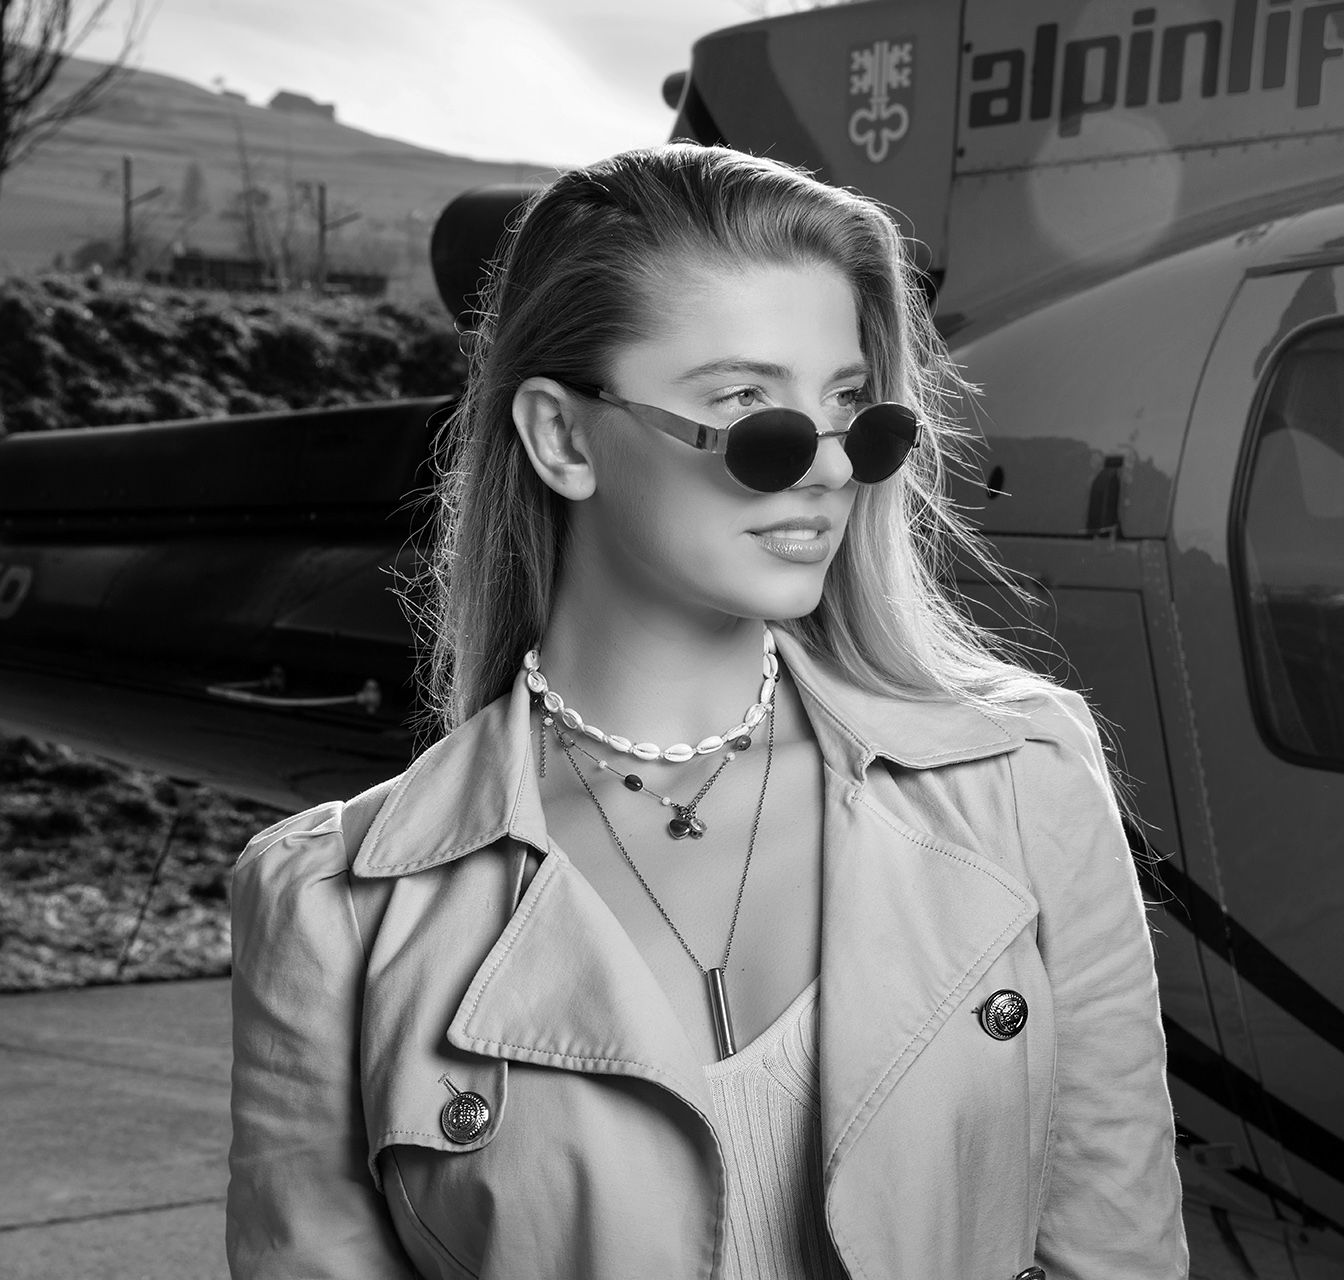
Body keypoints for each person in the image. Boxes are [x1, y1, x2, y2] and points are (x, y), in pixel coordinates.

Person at [225, 144, 1186, 1280]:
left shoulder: (1024, 780)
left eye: (854, 414)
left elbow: (1116, 1249)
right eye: (751, 412)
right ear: (563, 437)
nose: (830, 470)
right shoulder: (334, 911)